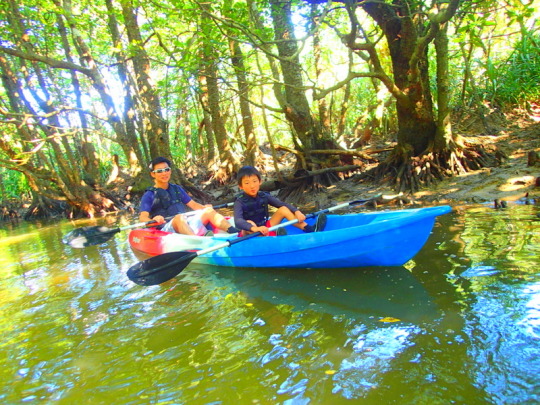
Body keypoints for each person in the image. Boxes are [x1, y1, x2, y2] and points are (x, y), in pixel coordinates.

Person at [139, 157, 239, 236]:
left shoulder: (176, 189)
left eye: (166, 169)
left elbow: (194, 205)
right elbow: (142, 217)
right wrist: (154, 219)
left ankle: (235, 232)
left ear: (170, 171)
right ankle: (198, 241)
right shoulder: (149, 195)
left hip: (184, 223)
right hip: (166, 229)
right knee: (179, 218)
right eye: (160, 171)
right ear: (153, 174)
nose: (164, 173)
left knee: (208, 211)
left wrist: (205, 208)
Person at [233, 165, 326, 236]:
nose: (252, 186)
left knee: (283, 209)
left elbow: (281, 204)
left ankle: (310, 229)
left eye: (254, 181)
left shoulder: (263, 196)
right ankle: (274, 237)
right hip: (249, 233)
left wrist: (297, 211)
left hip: (265, 228)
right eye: (247, 183)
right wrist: (254, 228)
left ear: (260, 181)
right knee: (250, 222)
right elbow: (238, 221)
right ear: (241, 186)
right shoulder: (239, 202)